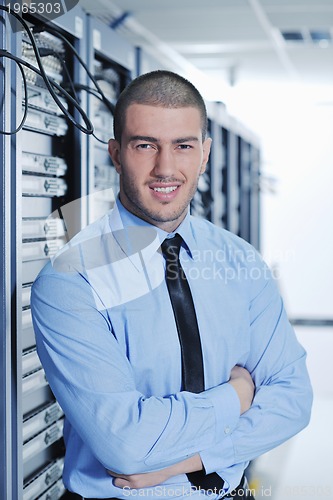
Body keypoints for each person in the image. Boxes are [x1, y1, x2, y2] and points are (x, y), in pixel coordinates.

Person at [31, 70, 313, 500]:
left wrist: (187, 462)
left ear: (204, 154)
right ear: (116, 154)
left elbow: (293, 401)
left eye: (183, 146)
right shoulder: (71, 280)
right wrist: (238, 396)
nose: (165, 167)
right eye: (145, 145)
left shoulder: (240, 261)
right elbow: (126, 445)